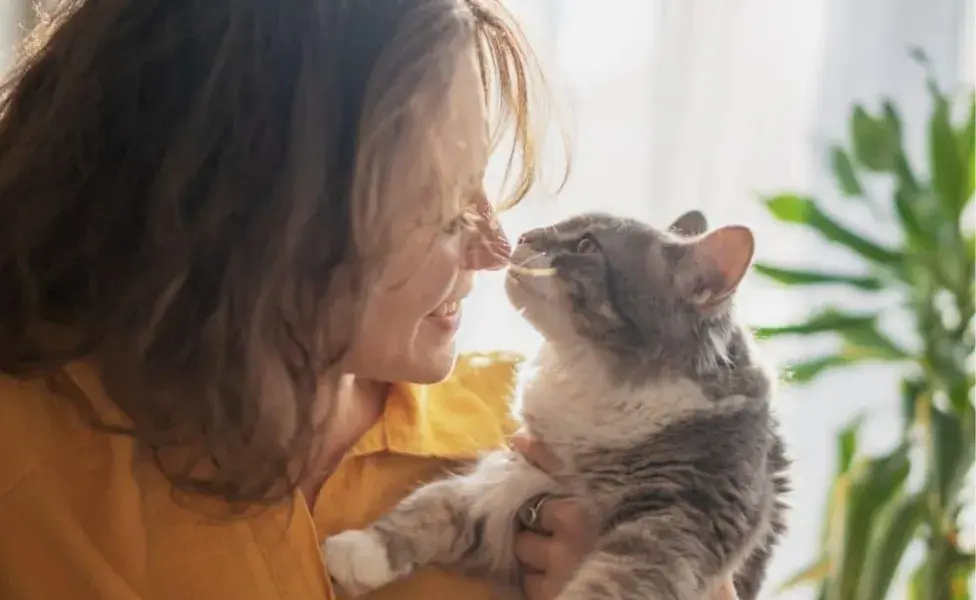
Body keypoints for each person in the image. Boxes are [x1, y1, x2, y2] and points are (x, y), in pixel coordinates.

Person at [0, 1, 739, 599]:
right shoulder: (35, 459)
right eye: (447, 211)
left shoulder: (542, 446)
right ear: (259, 217)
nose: (498, 249)